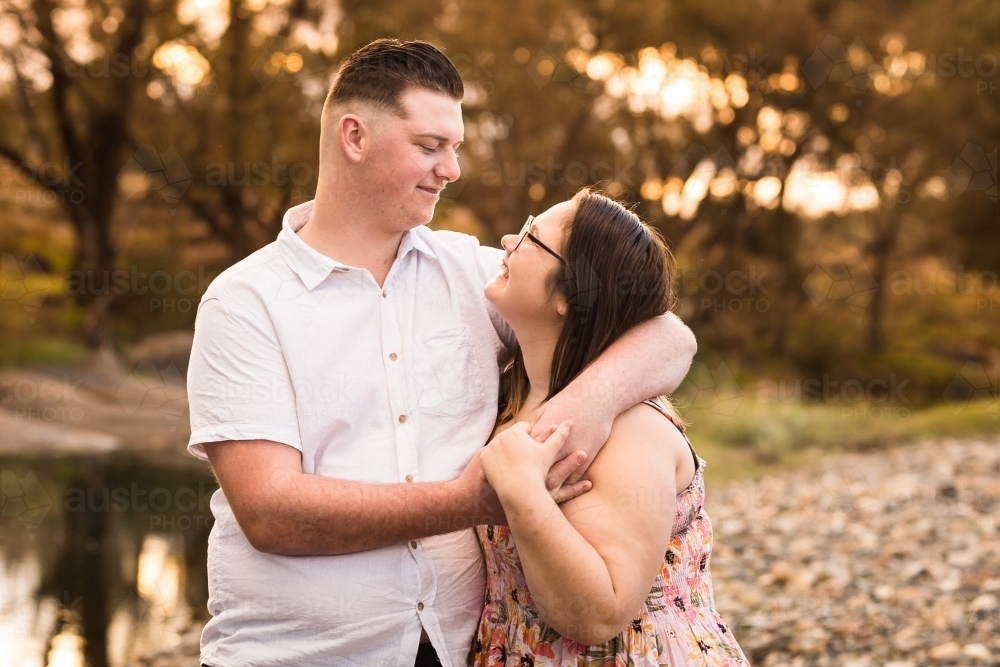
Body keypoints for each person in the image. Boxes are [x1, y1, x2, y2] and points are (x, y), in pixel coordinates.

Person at [186, 39, 697, 667]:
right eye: (430, 147)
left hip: (458, 650)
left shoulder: (473, 274)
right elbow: (270, 513)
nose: (451, 169)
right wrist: (472, 501)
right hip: (299, 655)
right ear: (354, 137)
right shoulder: (244, 303)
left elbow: (666, 333)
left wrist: (590, 401)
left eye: (454, 148)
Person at [472, 189, 748, 666]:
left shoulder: (630, 430)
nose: (506, 241)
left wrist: (522, 490)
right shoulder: (512, 398)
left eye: (530, 236)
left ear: (569, 294)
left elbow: (601, 613)